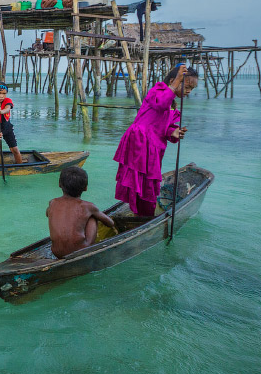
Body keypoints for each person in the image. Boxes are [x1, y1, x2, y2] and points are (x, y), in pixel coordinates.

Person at [113, 64, 198, 216]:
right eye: (187, 87)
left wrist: (174, 132)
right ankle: (143, 215)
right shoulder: (158, 90)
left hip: (153, 146)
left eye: (192, 89)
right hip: (140, 141)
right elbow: (161, 104)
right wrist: (176, 82)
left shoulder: (173, 104)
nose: (189, 91)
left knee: (148, 183)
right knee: (142, 182)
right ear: (173, 80)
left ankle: (142, 214)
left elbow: (165, 127)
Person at [47, 167, 117, 258]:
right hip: (81, 251)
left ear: (60, 184)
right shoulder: (88, 206)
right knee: (92, 216)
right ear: (85, 188)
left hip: (56, 252)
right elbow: (110, 223)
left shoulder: (52, 202)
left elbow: (47, 214)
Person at [0, 81, 24, 165]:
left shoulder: (7, 100)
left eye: (4, 93)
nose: (2, 96)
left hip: (7, 128)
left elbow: (7, 108)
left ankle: (20, 165)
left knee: (14, 149)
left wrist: (1, 111)